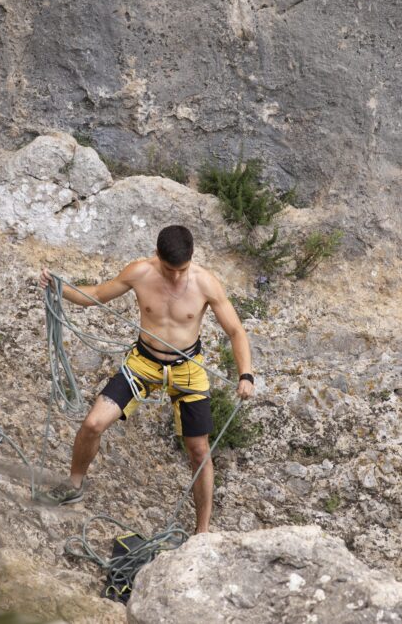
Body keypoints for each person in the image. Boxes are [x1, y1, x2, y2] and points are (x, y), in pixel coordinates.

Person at [38, 225, 254, 534]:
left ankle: (202, 532)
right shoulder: (140, 272)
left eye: (182, 270)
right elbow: (98, 294)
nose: (176, 277)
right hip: (144, 363)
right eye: (169, 269)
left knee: (199, 451)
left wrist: (246, 374)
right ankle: (74, 485)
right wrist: (59, 287)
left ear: (191, 259)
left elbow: (236, 331)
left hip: (188, 369)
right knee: (92, 424)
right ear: (157, 256)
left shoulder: (206, 284)